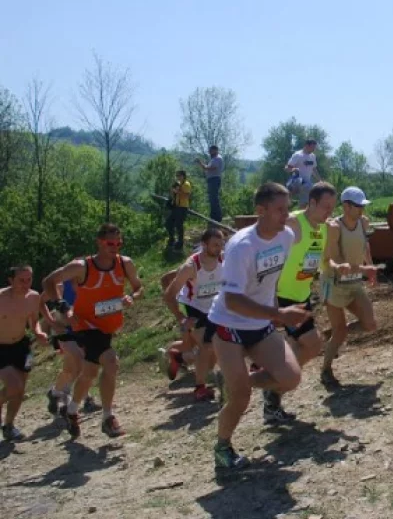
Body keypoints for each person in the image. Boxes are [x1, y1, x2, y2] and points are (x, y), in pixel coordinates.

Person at [207, 182, 310, 470]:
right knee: (239, 399)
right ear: (260, 211)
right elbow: (232, 301)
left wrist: (275, 311)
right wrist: (278, 313)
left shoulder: (286, 236)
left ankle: (234, 382)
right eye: (279, 210)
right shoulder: (241, 246)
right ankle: (222, 447)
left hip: (261, 322)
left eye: (287, 209)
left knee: (290, 378)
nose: (285, 215)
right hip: (229, 326)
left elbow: (269, 280)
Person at [42, 223, 145, 438]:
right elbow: (48, 281)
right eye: (110, 243)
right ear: (99, 242)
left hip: (108, 323)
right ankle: (108, 417)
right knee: (110, 361)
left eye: (119, 243)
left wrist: (131, 297)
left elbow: (138, 286)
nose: (115, 247)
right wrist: (63, 307)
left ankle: (71, 410)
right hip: (85, 323)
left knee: (89, 372)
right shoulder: (82, 266)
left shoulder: (125, 264)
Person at [267, 181, 337, 417]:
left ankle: (272, 393)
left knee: (301, 346)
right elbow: (267, 254)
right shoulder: (293, 223)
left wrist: (343, 267)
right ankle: (271, 387)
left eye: (332, 207)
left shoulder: (324, 228)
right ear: (312, 202)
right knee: (313, 344)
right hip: (282, 297)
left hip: (302, 296)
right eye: (326, 207)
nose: (330, 212)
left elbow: (325, 261)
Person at [319, 186, 378, 390]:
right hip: (334, 284)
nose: (361, 209)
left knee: (370, 324)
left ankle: (332, 335)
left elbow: (365, 245)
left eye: (362, 205)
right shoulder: (334, 227)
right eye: (357, 205)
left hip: (354, 282)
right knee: (341, 331)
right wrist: (338, 267)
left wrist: (369, 267)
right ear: (346, 206)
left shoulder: (363, 222)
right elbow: (327, 260)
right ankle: (326, 370)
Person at [159, 228, 226, 401]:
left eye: (221, 244)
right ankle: (200, 388)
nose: (219, 248)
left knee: (211, 357)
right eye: (215, 245)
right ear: (204, 245)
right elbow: (168, 295)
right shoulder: (191, 266)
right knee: (207, 345)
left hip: (214, 308)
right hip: (194, 308)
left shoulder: (224, 259)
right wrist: (181, 318)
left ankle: (178, 356)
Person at [0, 265, 46, 441]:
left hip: (21, 346)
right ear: (11, 280)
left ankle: (9, 425)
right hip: (1, 348)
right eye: (21, 280)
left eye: (29, 280)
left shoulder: (33, 297)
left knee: (19, 391)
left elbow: (34, 322)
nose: (26, 284)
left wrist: (39, 332)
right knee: (15, 386)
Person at [42, 280, 97, 416]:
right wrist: (52, 323)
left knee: (70, 369)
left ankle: (55, 392)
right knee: (79, 363)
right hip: (65, 331)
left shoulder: (93, 282)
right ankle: (86, 399)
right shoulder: (60, 286)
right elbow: (39, 301)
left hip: (84, 330)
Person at [285, 139, 320, 209]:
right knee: (309, 188)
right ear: (307, 146)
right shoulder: (298, 155)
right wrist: (293, 169)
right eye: (312, 148)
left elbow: (314, 169)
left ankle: (299, 215)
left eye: (314, 148)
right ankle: (289, 198)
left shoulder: (312, 156)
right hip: (297, 180)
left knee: (305, 203)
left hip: (306, 183)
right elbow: (286, 168)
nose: (313, 150)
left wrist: (320, 181)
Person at [196, 145, 224, 222]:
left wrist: (200, 163)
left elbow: (208, 168)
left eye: (210, 150)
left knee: (214, 199)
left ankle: (217, 218)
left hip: (214, 180)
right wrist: (202, 165)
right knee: (212, 199)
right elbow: (207, 169)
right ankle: (213, 217)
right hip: (212, 180)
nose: (209, 152)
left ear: (215, 150)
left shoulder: (217, 159)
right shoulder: (214, 159)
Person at [166, 170, 192, 250]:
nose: (178, 177)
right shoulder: (178, 184)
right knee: (168, 223)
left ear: (184, 176)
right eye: (177, 176)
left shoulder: (186, 184)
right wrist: (172, 191)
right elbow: (174, 194)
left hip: (183, 207)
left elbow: (187, 195)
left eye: (179, 175)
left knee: (178, 225)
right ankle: (172, 238)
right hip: (176, 207)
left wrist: (177, 191)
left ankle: (180, 242)